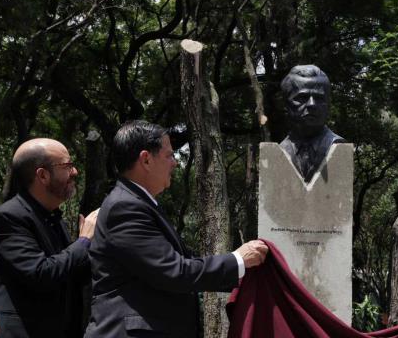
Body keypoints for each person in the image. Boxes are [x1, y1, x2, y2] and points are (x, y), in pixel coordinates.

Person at [85, 120, 269, 338]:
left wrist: (242, 272)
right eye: (169, 155)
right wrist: (238, 260)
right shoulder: (125, 207)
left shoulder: (139, 203)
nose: (175, 163)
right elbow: (174, 272)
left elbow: (181, 264)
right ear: (145, 159)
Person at [0, 138, 99, 338]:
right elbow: (41, 274)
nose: (75, 172)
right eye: (67, 166)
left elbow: (69, 274)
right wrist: (83, 242)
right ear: (43, 175)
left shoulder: (53, 217)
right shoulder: (10, 216)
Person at [278, 65, 346, 182]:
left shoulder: (337, 145)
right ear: (285, 105)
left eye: (319, 98)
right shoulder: (281, 150)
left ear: (328, 104)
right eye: (302, 98)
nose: (312, 104)